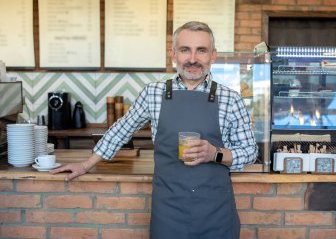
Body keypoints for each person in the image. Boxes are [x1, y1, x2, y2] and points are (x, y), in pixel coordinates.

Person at [51, 21, 258, 239]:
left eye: (202, 50)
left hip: (216, 213)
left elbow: (250, 151)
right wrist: (85, 165)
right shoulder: (154, 93)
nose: (193, 59)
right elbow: (121, 129)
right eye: (185, 50)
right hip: (169, 211)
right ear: (173, 55)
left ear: (213, 56)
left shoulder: (231, 98)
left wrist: (214, 153)